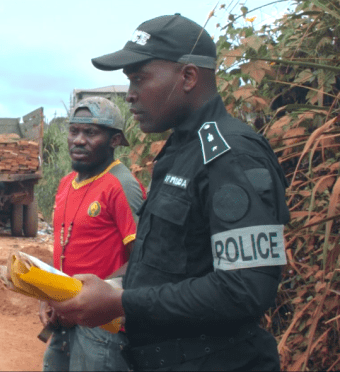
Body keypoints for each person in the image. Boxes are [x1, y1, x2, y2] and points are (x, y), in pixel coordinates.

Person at [49, 14, 290, 371]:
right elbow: (163, 266)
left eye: (139, 79)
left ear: (188, 76)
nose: (130, 95)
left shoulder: (232, 155)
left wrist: (122, 303)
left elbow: (245, 290)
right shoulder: (179, 151)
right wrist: (106, 286)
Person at [40, 96, 145, 371]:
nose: (78, 140)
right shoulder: (66, 184)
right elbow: (63, 248)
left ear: (114, 140)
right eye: (74, 131)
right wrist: (48, 298)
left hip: (103, 327)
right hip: (64, 318)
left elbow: (144, 259)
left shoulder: (121, 185)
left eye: (91, 132)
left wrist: (97, 297)